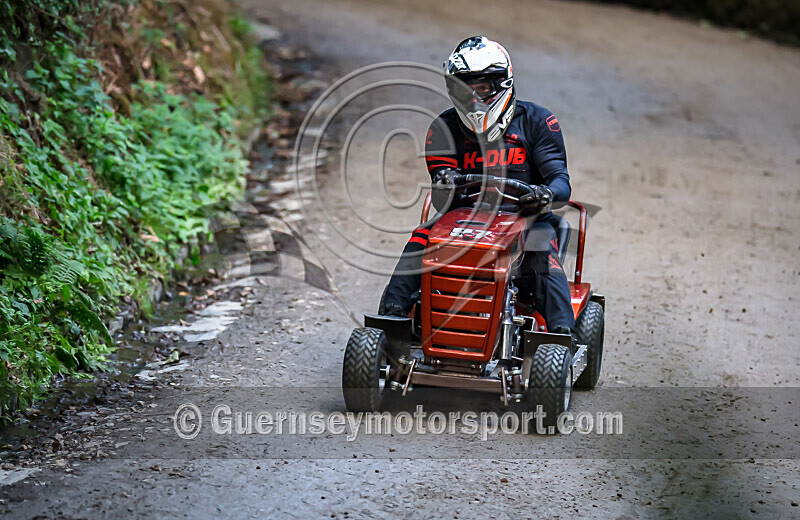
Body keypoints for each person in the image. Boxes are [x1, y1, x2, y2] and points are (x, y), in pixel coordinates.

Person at [379, 36, 575, 336]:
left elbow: (560, 181)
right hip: (464, 221)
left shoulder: (538, 122)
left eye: (481, 87)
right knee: (422, 238)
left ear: (501, 83)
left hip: (526, 220)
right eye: (463, 88)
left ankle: (562, 336)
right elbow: (442, 186)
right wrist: (446, 178)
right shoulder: (443, 128)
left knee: (541, 247)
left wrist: (545, 193)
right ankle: (391, 321)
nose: (473, 96)